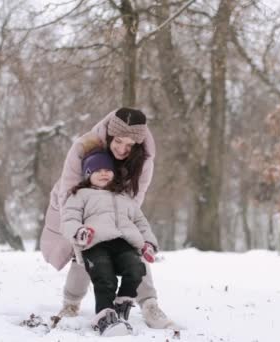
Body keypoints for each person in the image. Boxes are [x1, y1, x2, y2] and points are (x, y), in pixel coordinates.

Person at [40, 108, 175, 329]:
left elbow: (135, 204)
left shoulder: (142, 162)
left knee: (134, 250)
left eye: (130, 145)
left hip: (117, 207)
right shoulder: (84, 147)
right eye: (119, 141)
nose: (123, 149)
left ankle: (150, 305)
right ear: (110, 135)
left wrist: (125, 230)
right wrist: (78, 229)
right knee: (82, 254)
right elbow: (69, 195)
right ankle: (71, 303)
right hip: (77, 204)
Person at [61, 150, 159, 336]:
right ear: (88, 174)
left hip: (124, 244)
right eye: (98, 170)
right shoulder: (80, 195)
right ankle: (104, 317)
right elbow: (69, 219)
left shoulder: (124, 197)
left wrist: (148, 243)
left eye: (108, 169)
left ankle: (121, 305)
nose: (104, 173)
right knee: (104, 276)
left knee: (136, 269)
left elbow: (141, 222)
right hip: (95, 244)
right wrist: (79, 232)